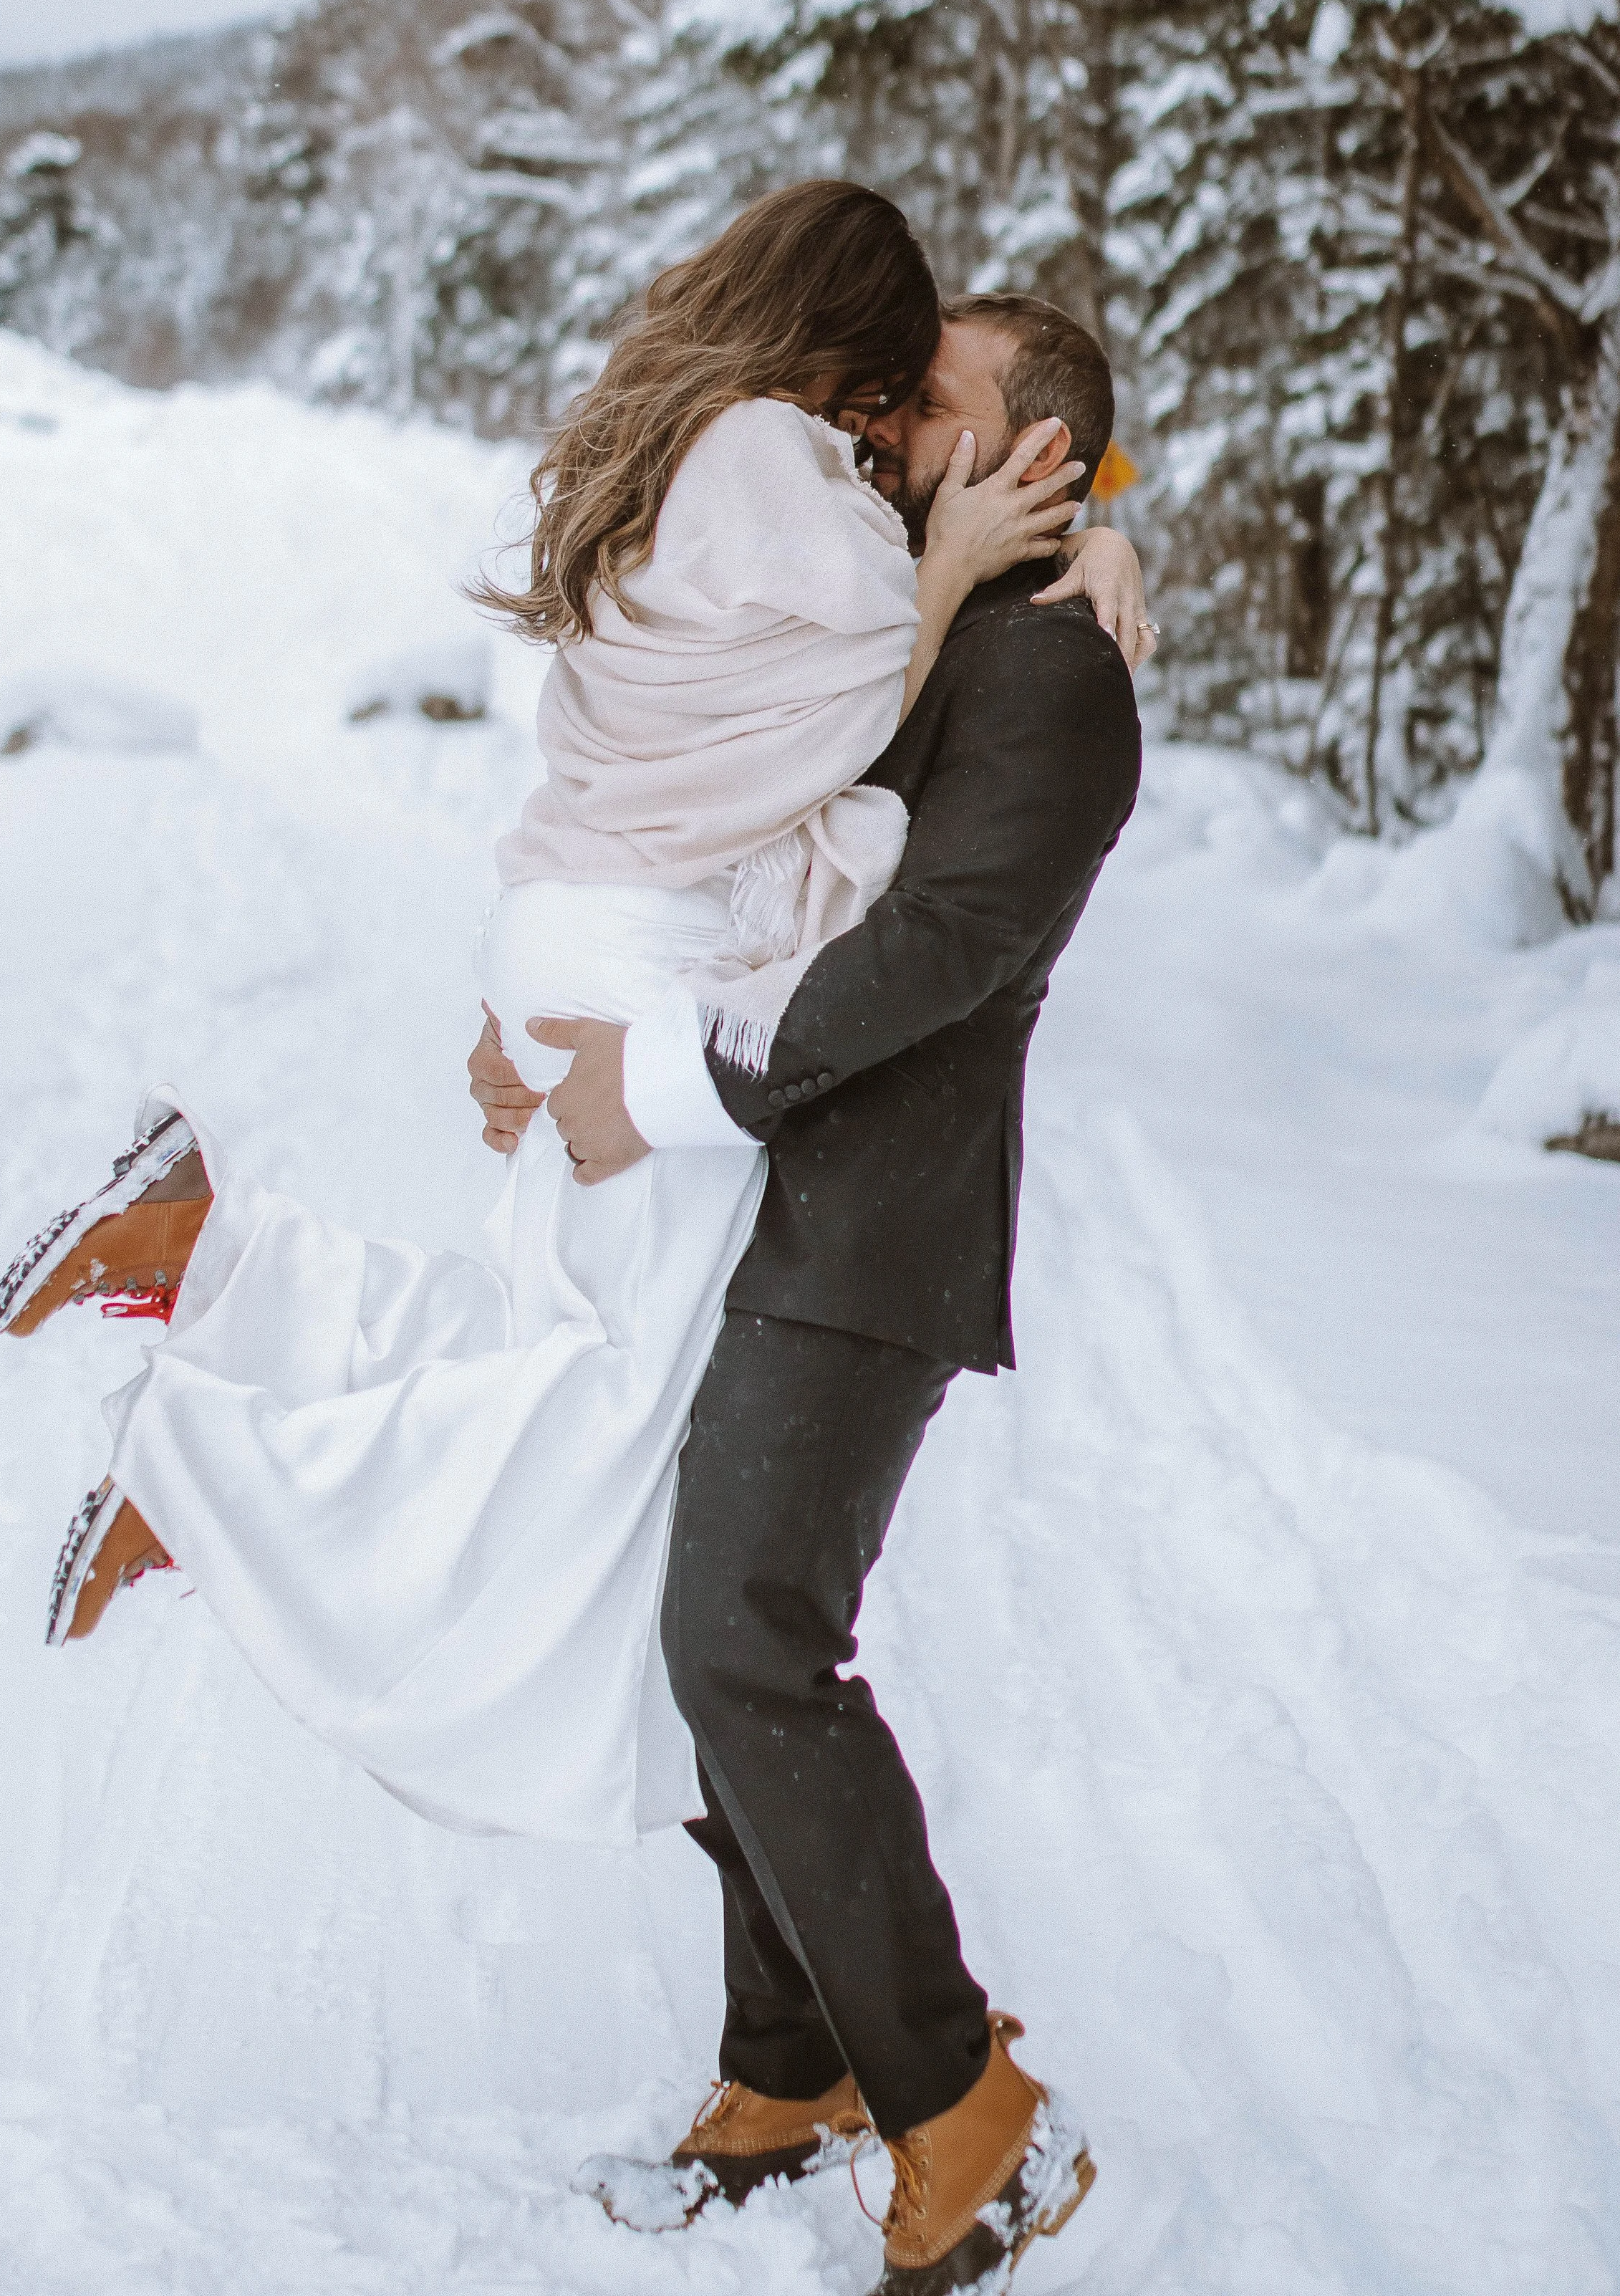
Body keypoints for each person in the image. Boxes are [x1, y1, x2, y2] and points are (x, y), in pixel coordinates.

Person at [0, 187, 1134, 1857]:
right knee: (594, 1410)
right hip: (650, 969)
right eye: (890, 386)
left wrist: (1092, 521)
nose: (889, 427)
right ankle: (207, 1484)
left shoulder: (706, 451)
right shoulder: (800, 491)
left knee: (532, 1344)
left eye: (925, 402)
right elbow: (841, 740)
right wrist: (989, 551)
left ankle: (214, 1253)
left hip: (587, 935)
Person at [471, 288, 1144, 2294]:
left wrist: (654, 1076)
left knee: (748, 1641)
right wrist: (557, 1035)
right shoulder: (906, 609)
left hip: (871, 1233)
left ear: (1030, 450)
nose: (873, 419)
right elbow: (740, 836)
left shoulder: (1057, 671)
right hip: (744, 1210)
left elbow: (928, 950)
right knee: (707, 1649)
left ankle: (963, 2106)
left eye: (919, 400)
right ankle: (786, 2072)